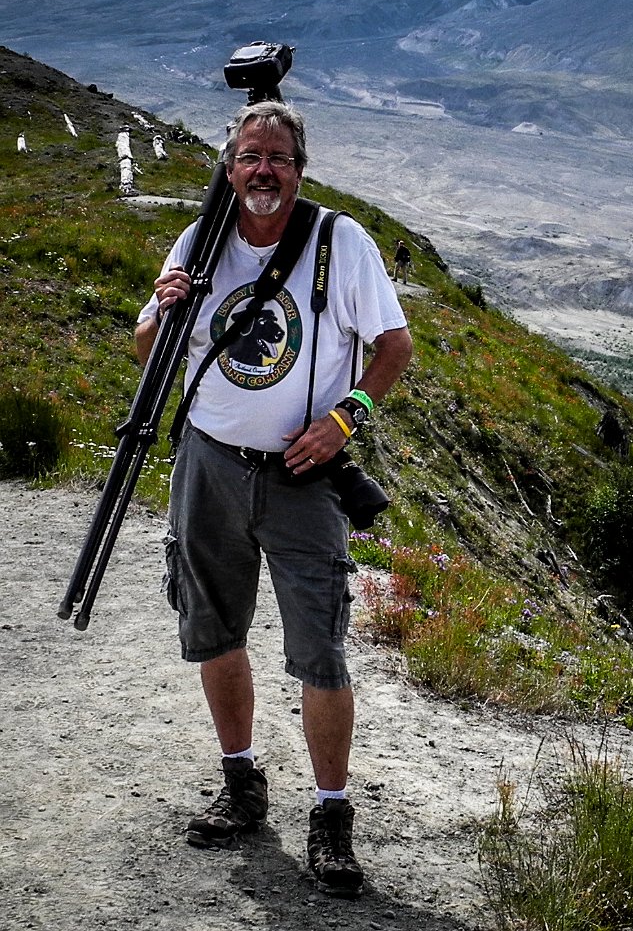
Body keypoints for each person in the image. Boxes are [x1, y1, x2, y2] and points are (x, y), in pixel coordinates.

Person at [135, 100, 413, 897]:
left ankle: (331, 815)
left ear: (299, 169)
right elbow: (145, 348)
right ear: (230, 169)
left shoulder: (339, 242)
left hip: (300, 477)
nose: (263, 171)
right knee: (213, 628)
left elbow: (393, 345)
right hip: (210, 462)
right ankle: (242, 782)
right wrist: (167, 305)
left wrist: (344, 420)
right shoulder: (199, 241)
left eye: (278, 159)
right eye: (249, 157)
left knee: (320, 650)